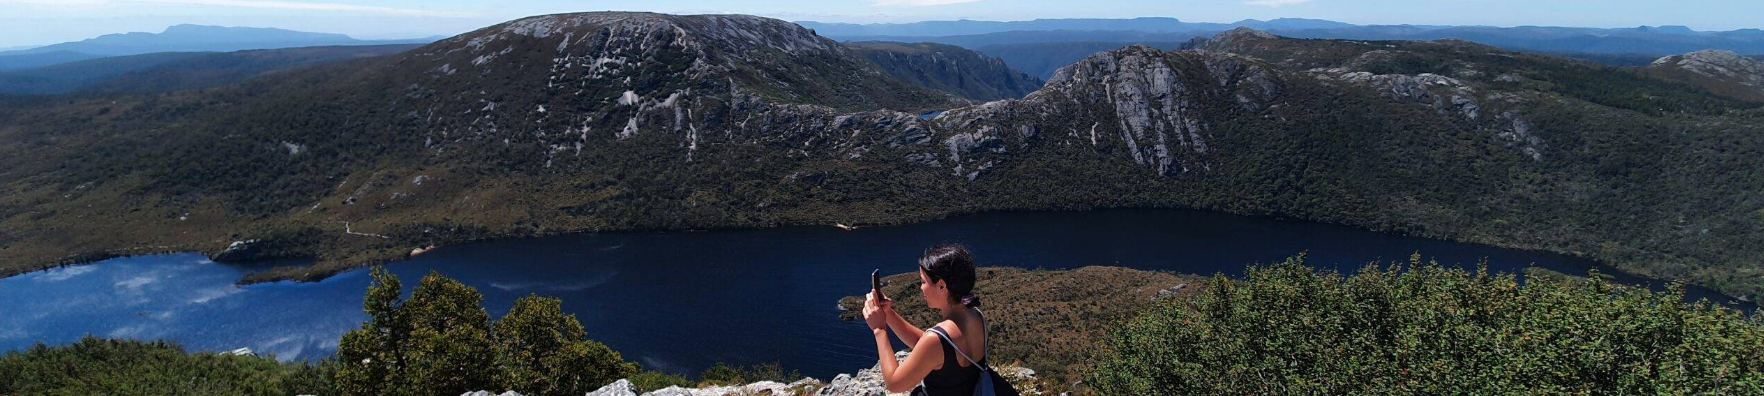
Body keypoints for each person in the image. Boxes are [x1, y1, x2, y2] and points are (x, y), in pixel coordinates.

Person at [862, 244, 988, 396]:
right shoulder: (977, 316)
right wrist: (888, 314)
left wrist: (879, 329)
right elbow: (933, 348)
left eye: (923, 281)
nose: (921, 288)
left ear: (941, 286)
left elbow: (894, 384)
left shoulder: (936, 341)